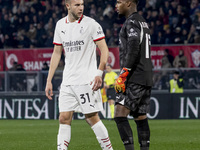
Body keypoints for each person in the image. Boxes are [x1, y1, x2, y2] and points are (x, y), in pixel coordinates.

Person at [45, 0, 113, 150]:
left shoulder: (91, 24)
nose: (81, 7)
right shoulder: (60, 25)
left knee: (91, 118)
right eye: (77, 5)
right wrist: (49, 80)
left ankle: (108, 149)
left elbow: (104, 49)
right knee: (63, 118)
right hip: (68, 81)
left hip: (86, 81)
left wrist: (99, 73)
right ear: (67, 5)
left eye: (82, 4)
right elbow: (57, 53)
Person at [114, 0, 153, 150]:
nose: (116, 6)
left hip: (134, 76)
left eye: (119, 2)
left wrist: (123, 74)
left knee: (119, 115)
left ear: (129, 3)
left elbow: (134, 47)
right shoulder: (143, 21)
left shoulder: (131, 22)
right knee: (140, 116)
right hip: (146, 75)